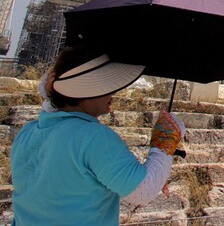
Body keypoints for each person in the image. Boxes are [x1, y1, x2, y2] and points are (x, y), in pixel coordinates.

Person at [10, 45, 185, 225]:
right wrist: (164, 142)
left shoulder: (27, 132)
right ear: (84, 91)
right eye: (106, 84)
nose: (113, 92)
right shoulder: (94, 137)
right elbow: (143, 191)